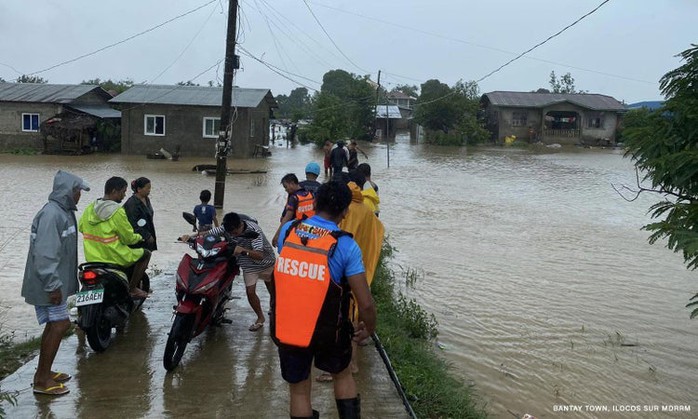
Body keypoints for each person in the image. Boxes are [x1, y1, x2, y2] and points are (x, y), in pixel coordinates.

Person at [273, 181, 376, 419]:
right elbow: (366, 303)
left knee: (298, 391)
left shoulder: (288, 231)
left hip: (289, 326)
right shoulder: (345, 245)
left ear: (315, 203)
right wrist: (368, 327)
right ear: (345, 212)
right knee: (342, 374)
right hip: (330, 329)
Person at [21, 170, 90, 396]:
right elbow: (45, 254)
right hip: (48, 283)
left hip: (54, 282)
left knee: (54, 325)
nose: (80, 195)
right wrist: (52, 286)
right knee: (60, 324)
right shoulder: (52, 215)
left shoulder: (64, 212)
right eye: (78, 191)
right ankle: (41, 381)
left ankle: (44, 373)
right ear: (69, 192)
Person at [316, 171, 384, 382]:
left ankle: (348, 364)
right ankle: (347, 363)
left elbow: (335, 239)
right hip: (359, 267)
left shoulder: (347, 212)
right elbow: (378, 233)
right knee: (352, 315)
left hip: (343, 269)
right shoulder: (365, 208)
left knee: (343, 318)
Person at [200, 213, 276, 332]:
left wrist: (243, 250)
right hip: (248, 265)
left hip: (265, 262)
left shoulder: (254, 231)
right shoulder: (226, 228)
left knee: (272, 291)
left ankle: (274, 309)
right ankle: (260, 318)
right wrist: (191, 237)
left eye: (235, 233)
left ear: (241, 225)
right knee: (250, 292)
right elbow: (209, 233)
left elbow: (259, 255)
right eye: (230, 234)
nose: (233, 236)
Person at [79, 177, 149, 299]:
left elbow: (81, 227)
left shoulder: (90, 208)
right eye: (123, 191)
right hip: (114, 257)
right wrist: (139, 237)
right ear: (114, 191)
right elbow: (128, 238)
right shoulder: (117, 211)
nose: (124, 195)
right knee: (146, 254)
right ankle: (132, 289)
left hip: (92, 260)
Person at [271, 173, 315, 246]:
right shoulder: (310, 194)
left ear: (292, 183)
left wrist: (277, 235)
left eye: (286, 187)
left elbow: (287, 218)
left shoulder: (294, 198)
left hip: (297, 230)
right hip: (311, 230)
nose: (285, 190)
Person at [123, 177, 157, 252]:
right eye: (147, 188)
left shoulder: (147, 199)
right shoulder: (132, 203)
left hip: (147, 235)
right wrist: (147, 236)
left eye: (150, 188)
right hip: (136, 239)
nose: (149, 190)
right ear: (139, 189)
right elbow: (131, 223)